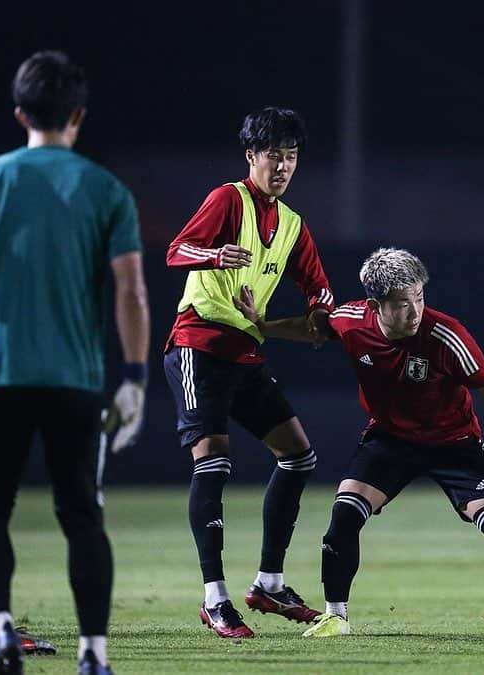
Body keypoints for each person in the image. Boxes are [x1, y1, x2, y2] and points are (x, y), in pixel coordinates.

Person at [233, 247, 484, 639]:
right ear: (375, 304)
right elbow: (312, 328)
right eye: (402, 304)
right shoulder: (353, 320)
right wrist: (262, 326)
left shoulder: (445, 335)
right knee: (344, 515)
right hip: (390, 440)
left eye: (419, 298)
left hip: (455, 443)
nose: (415, 311)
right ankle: (336, 616)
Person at [0, 51, 150, 674]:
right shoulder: (106, 189)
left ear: (20, 112)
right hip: (74, 380)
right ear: (78, 115)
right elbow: (130, 291)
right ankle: (94, 655)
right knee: (81, 516)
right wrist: (133, 378)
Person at [163, 106, 334, 639]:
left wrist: (322, 311)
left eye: (291, 156)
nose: (282, 166)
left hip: (245, 352)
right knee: (213, 462)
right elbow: (174, 251)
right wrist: (215, 256)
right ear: (251, 157)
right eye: (273, 156)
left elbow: (319, 289)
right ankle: (215, 599)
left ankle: (269, 583)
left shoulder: (292, 225)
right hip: (198, 343)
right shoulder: (226, 199)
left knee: (299, 456)